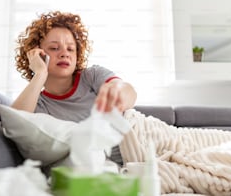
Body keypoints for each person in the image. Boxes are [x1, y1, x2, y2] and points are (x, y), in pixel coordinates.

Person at [11, 11, 137, 165]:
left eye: (71, 49)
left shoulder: (92, 76)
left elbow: (129, 92)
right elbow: (14, 121)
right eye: (54, 48)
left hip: (141, 139)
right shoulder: (39, 103)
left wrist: (117, 92)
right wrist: (40, 73)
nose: (65, 54)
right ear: (38, 55)